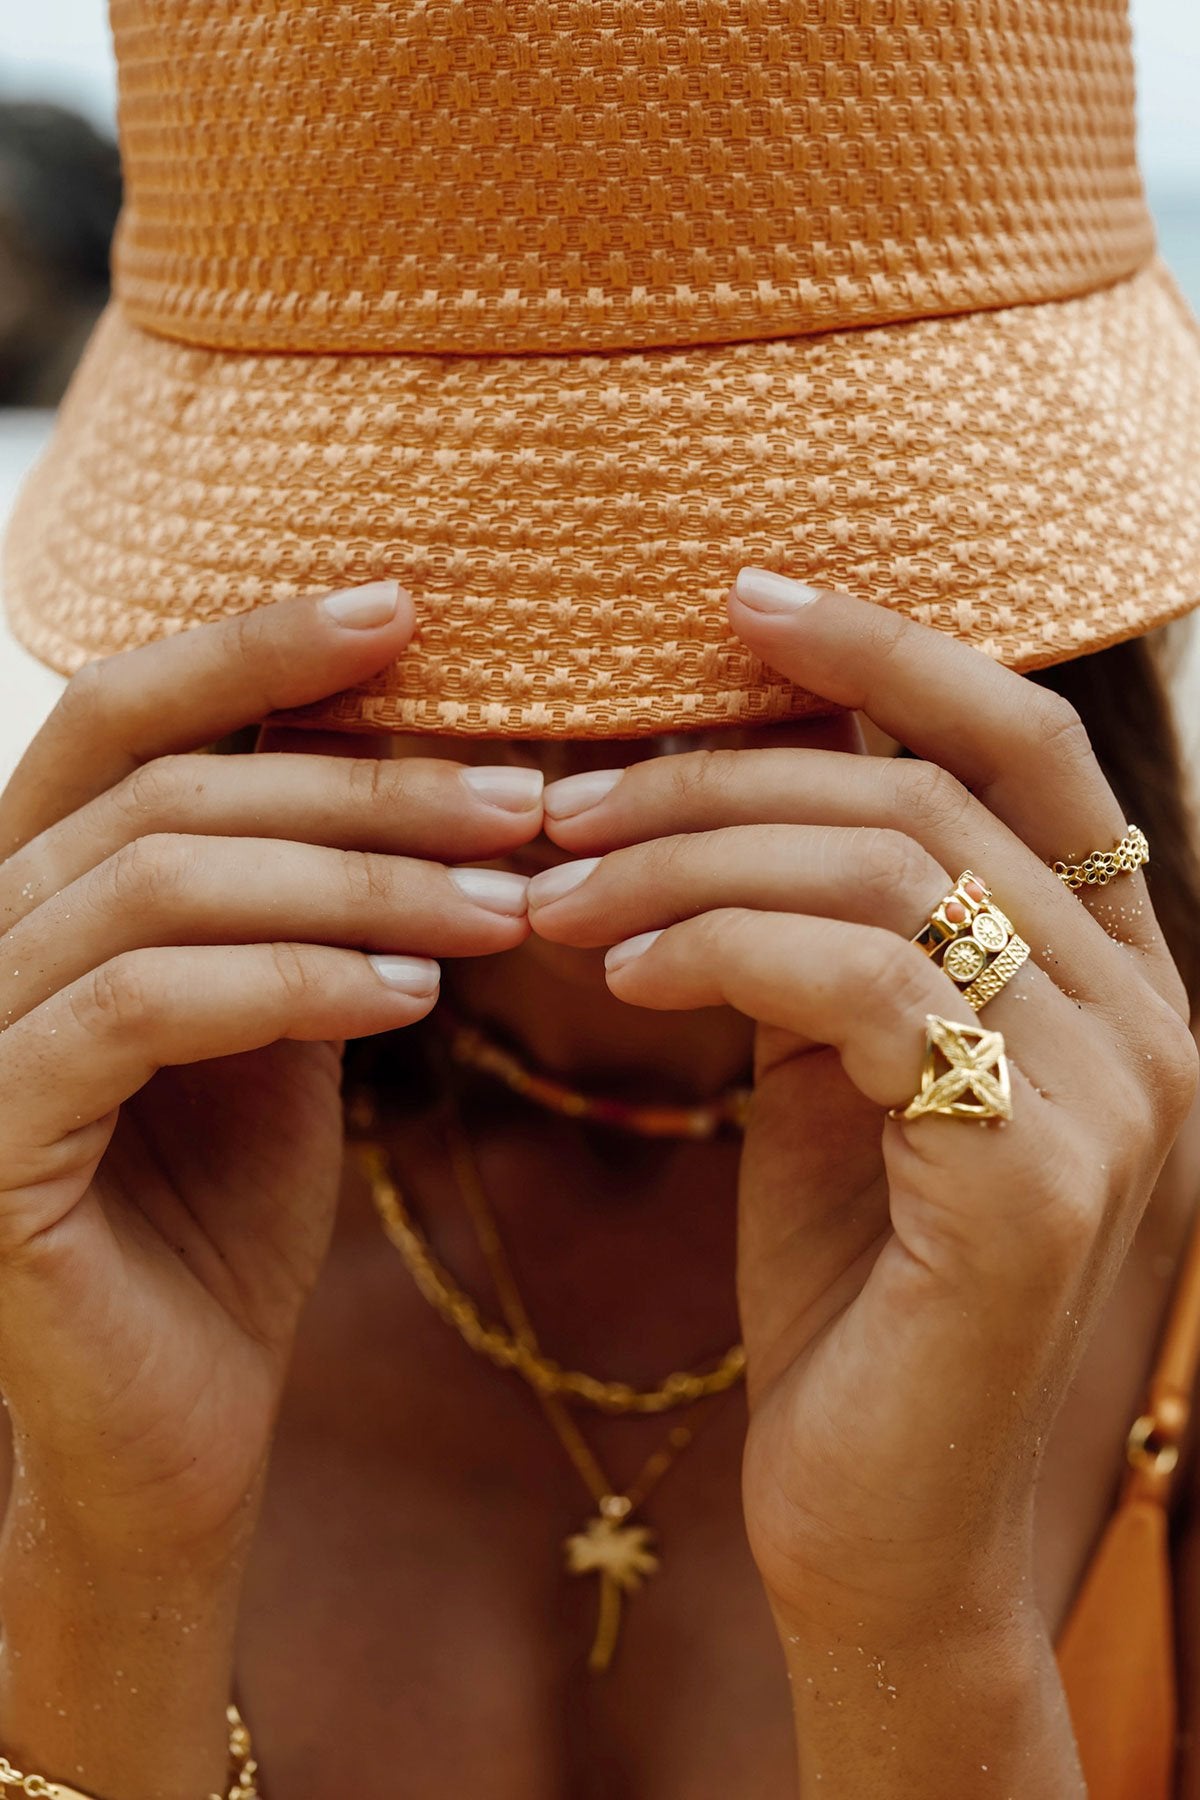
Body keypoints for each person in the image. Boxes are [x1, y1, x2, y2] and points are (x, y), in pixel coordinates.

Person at [1, 5, 1200, 1799]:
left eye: (757, 568)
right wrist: (103, 1560)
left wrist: (915, 1624)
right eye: (464, 582)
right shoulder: (55, 1155)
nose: (583, 715)